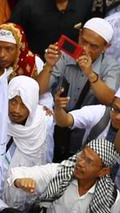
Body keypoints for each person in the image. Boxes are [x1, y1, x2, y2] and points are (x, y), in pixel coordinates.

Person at [8, 139, 118, 213]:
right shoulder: (60, 174)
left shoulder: (112, 198)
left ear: (103, 171)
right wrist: (19, 181)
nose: (80, 163)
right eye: (82, 155)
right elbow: (17, 173)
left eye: (89, 161)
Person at [38, 18, 120, 160]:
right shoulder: (64, 55)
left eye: (93, 46)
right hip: (55, 124)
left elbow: (110, 100)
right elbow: (38, 89)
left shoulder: (111, 66)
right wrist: (49, 66)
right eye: (84, 41)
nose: (86, 49)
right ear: (80, 34)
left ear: (106, 47)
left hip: (86, 133)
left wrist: (90, 73)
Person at [7, 75, 54, 171]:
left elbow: (45, 166)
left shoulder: (42, 125)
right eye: (13, 102)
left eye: (24, 104)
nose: (16, 110)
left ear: (32, 104)